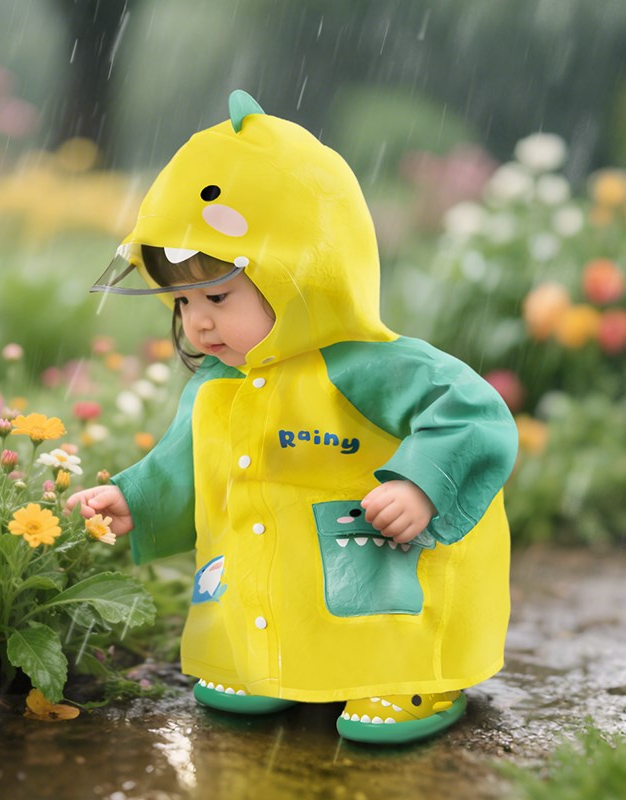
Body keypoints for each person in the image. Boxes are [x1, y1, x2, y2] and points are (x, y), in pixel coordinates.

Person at [66, 90, 518, 745]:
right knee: (268, 579)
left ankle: (414, 677)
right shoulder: (220, 388)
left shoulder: (373, 368)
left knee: (385, 618)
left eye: (218, 295)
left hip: (384, 564)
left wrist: (421, 484)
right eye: (183, 302)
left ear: (302, 275)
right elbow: (186, 462)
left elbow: (474, 416)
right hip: (281, 591)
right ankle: (272, 664)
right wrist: (135, 497)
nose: (198, 323)